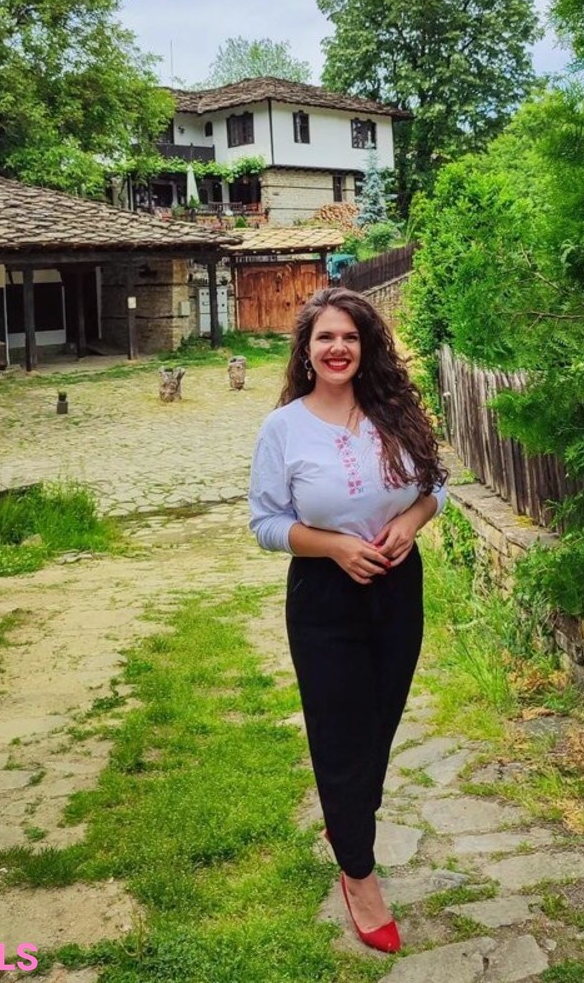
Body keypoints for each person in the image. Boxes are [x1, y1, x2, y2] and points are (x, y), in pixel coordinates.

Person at [249, 287, 447, 954]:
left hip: (398, 588)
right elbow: (265, 523)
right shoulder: (284, 429)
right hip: (325, 597)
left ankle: (348, 817)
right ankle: (359, 874)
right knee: (340, 735)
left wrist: (411, 522)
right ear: (306, 350)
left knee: (380, 723)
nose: (338, 348)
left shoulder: (396, 412)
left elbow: (436, 487)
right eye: (325, 337)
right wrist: (334, 546)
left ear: (366, 347)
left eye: (350, 337)